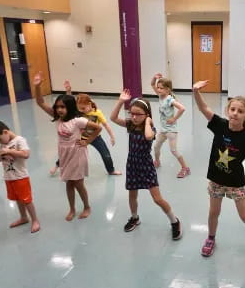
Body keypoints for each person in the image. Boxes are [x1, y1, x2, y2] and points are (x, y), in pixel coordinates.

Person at [192, 80, 245, 263]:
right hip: (216, 179)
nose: (235, 113)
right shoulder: (220, 125)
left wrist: (243, 156)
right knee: (213, 212)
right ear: (228, 110)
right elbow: (204, 108)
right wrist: (196, 91)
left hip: (236, 182)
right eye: (232, 109)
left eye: (240, 111)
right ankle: (211, 238)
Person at [110, 89, 182, 240]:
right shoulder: (130, 125)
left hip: (146, 166)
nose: (134, 117)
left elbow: (149, 136)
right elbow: (113, 118)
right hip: (132, 165)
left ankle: (174, 221)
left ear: (147, 115)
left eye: (138, 114)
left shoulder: (151, 128)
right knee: (132, 194)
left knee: (157, 199)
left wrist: (148, 122)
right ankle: (134, 217)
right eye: (132, 113)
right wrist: (121, 101)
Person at [34, 71, 101, 221]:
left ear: (69, 108)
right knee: (68, 183)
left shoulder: (78, 121)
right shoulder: (58, 118)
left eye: (63, 107)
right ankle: (72, 208)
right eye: (57, 107)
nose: (59, 110)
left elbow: (98, 128)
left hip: (77, 153)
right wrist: (38, 86)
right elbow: (40, 102)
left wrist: (87, 141)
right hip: (64, 154)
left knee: (78, 183)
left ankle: (87, 206)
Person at [49, 80, 122, 176]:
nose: (81, 111)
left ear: (90, 104)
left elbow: (105, 125)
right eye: (79, 109)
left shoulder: (97, 113)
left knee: (105, 154)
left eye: (83, 108)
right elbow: (69, 102)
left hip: (95, 137)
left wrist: (112, 136)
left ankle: (111, 170)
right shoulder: (79, 112)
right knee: (69, 152)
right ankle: (57, 165)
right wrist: (68, 91)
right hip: (81, 137)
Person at [0, 120, 40, 233]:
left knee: (26, 199)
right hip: (9, 177)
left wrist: (10, 151)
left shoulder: (19, 140)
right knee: (17, 199)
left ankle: (35, 220)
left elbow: (26, 154)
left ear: (5, 132)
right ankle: (23, 217)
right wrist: (1, 153)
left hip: (21, 177)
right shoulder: (3, 143)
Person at [150, 73, 190, 178]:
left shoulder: (169, 99)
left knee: (173, 150)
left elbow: (182, 108)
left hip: (171, 130)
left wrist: (174, 118)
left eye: (161, 88)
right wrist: (155, 78)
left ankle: (185, 168)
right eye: (158, 88)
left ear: (168, 90)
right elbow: (152, 85)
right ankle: (157, 162)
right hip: (163, 130)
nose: (158, 90)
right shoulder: (160, 96)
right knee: (156, 147)